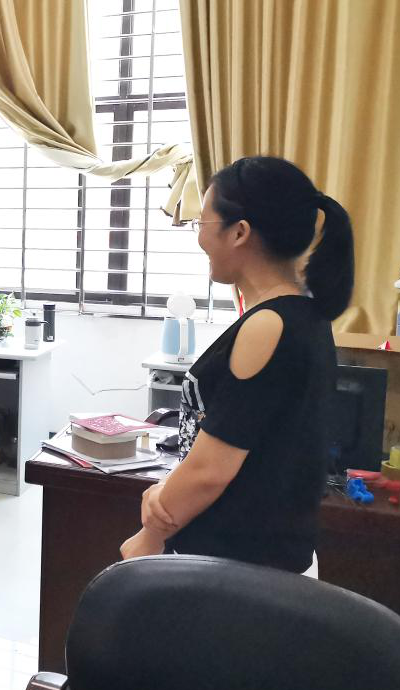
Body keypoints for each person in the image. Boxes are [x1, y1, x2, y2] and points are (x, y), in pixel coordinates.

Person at [121, 156, 355, 573]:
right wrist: (167, 489)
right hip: (257, 560)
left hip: (234, 569)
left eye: (202, 223)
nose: (199, 238)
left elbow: (211, 471)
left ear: (239, 232)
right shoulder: (303, 314)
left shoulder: (269, 325)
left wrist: (151, 533)